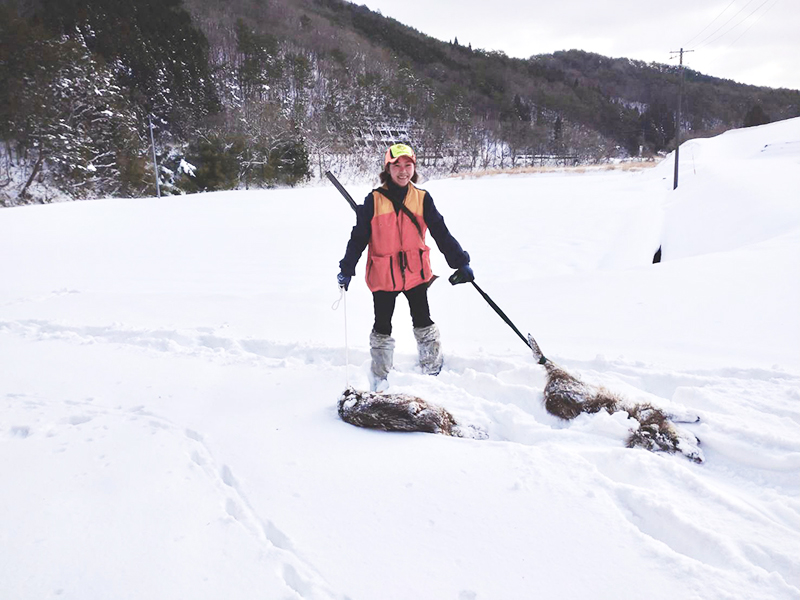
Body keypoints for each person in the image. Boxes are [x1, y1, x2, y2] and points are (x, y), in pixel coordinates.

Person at [337, 143, 474, 391]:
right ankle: (380, 373)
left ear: (414, 167)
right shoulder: (373, 201)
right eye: (397, 166)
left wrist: (460, 262)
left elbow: (441, 232)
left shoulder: (422, 198)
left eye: (407, 165)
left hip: (415, 272)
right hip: (383, 273)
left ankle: (432, 365)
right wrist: (347, 268)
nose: (403, 171)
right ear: (387, 169)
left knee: (422, 319)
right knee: (382, 324)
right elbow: (358, 238)